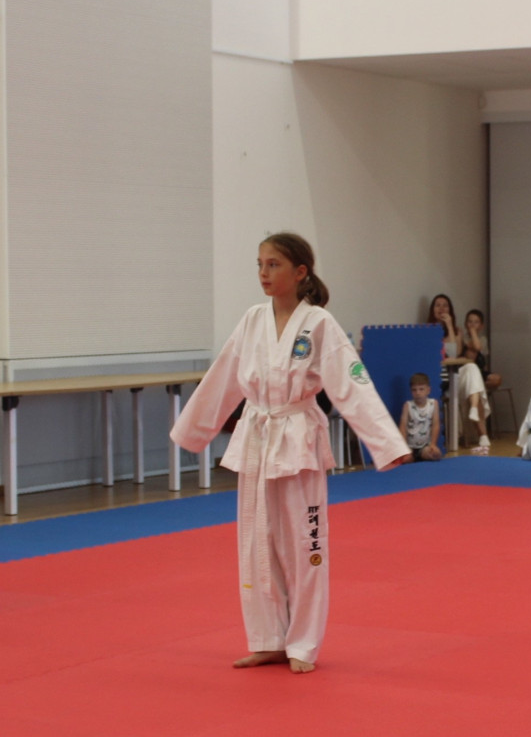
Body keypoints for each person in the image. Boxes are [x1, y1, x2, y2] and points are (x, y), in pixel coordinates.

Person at [172, 233, 411, 673]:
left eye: (274, 265)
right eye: (260, 265)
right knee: (255, 543)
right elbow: (223, 377)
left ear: (300, 272)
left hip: (298, 438)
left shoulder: (319, 324)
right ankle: (267, 639)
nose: (263, 273)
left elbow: (352, 384)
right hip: (258, 436)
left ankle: (302, 643)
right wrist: (192, 432)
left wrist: (385, 443)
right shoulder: (252, 320)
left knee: (306, 543)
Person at [427, 294, 491, 452]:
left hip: (453, 375)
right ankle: (482, 433)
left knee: (472, 368)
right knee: (475, 383)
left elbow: (453, 353)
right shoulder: (426, 330)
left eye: (445, 305)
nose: (441, 308)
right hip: (438, 378)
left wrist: (449, 326)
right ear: (432, 309)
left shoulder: (457, 331)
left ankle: (474, 409)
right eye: (438, 305)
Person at [401, 373, 442, 462]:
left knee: (436, 454)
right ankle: (411, 457)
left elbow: (436, 425)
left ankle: (423, 456)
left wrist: (433, 444)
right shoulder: (408, 405)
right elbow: (403, 427)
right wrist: (404, 448)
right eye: (414, 390)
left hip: (424, 447)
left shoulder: (433, 404)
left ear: (428, 390)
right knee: (405, 459)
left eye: (421, 389)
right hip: (410, 447)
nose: (418, 393)